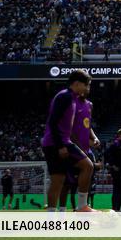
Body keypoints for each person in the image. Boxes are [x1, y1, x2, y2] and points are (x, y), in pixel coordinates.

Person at [41, 69, 94, 213]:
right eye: (86, 85)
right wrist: (60, 146)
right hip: (58, 143)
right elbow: (52, 122)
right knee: (88, 166)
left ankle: (51, 218)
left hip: (55, 143)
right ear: (77, 84)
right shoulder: (65, 97)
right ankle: (82, 206)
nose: (87, 88)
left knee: (58, 181)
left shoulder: (71, 97)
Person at [63, 90, 100, 211]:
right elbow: (69, 128)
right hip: (72, 148)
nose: (87, 88)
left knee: (89, 171)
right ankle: (62, 211)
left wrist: (94, 138)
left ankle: (82, 206)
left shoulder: (90, 105)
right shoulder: (70, 104)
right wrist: (77, 145)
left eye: (88, 85)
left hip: (86, 150)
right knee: (66, 182)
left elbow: (88, 126)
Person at [104, 129, 121, 212]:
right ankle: (115, 208)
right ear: (120, 135)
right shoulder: (115, 144)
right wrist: (113, 165)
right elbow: (107, 154)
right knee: (117, 189)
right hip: (117, 170)